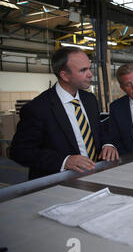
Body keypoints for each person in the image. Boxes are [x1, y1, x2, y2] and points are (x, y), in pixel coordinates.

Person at [10, 47, 118, 180]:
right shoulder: (38, 108)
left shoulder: (89, 99)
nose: (90, 74)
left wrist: (108, 144)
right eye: (83, 70)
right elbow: (19, 151)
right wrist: (65, 161)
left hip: (95, 175)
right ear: (65, 75)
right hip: (59, 182)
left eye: (89, 68)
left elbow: (99, 131)